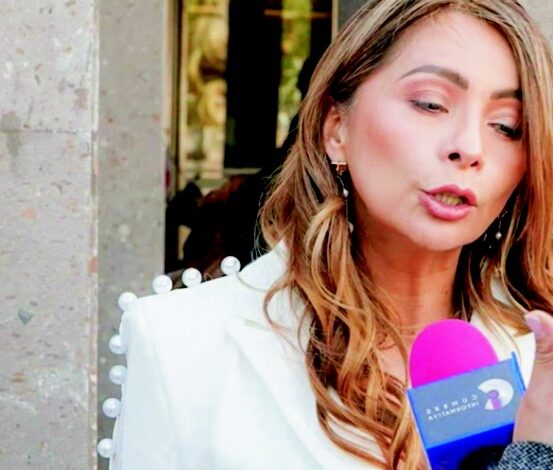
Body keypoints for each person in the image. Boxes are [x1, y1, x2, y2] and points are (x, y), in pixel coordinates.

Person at [99, 1, 553, 468]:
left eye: (507, 126)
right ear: (335, 128)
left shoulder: (538, 354)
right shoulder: (183, 343)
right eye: (430, 104)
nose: (470, 147)